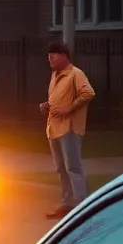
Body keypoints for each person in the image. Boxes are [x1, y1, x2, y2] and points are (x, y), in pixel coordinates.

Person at [40, 41, 95, 219]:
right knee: (61, 169)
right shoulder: (55, 75)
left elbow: (88, 93)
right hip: (53, 128)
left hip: (69, 128)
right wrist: (48, 105)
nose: (50, 58)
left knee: (73, 167)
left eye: (54, 54)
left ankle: (81, 208)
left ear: (65, 56)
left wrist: (69, 109)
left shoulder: (75, 74)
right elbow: (57, 98)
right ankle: (67, 204)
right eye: (49, 55)